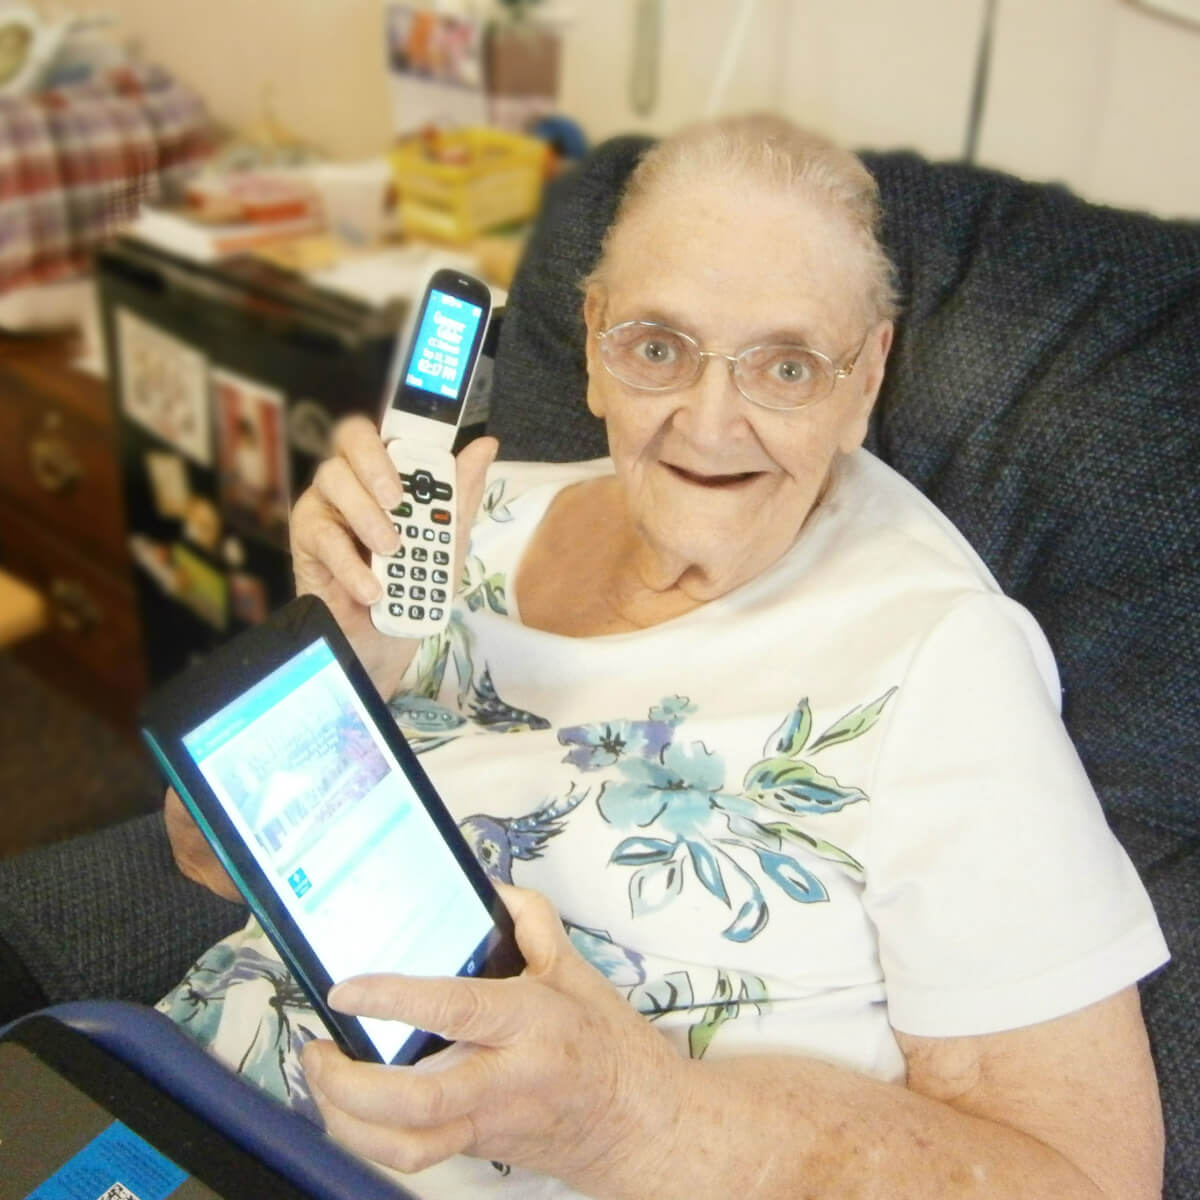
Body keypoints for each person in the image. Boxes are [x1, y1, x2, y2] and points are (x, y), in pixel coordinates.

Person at [162, 114, 1169, 1199]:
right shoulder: (461, 519)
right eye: (658, 347)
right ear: (593, 344)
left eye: (786, 366)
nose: (710, 421)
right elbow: (203, 857)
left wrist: (635, 1120)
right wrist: (341, 666)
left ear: (864, 379)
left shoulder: (939, 659)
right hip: (178, 1114)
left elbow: (1089, 1177)